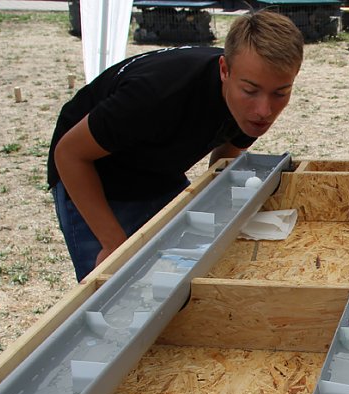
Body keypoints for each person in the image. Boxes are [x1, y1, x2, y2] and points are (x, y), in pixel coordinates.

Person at [48, 10, 304, 282]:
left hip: (159, 169)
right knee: (116, 285)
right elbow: (69, 154)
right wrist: (112, 243)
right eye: (250, 91)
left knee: (177, 274)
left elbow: (226, 152)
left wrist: (220, 200)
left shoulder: (249, 94)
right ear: (224, 71)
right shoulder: (156, 93)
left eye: (280, 93)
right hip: (94, 174)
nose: (264, 110)